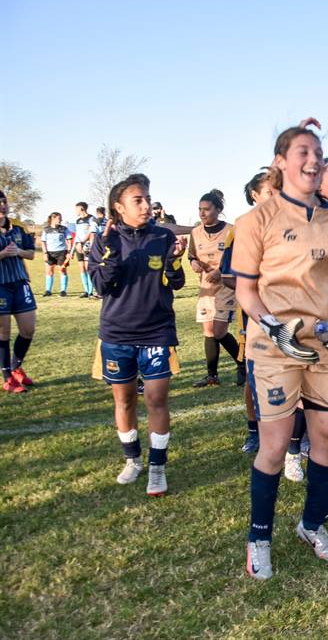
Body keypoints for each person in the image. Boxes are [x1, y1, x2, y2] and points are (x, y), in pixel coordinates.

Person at [232, 124, 328, 581]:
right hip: (273, 349)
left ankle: (312, 524)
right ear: (281, 162)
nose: (313, 159)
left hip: (324, 348)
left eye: (319, 152)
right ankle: (259, 536)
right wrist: (272, 325)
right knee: (273, 447)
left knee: (327, 440)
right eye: (303, 151)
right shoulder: (256, 221)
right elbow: (246, 290)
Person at [89, 174, 186, 496]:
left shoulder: (162, 236)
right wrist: (111, 254)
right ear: (119, 207)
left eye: (147, 198)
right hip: (116, 333)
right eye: (138, 200)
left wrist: (173, 262)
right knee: (125, 399)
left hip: (157, 331)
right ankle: (132, 460)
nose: (146, 206)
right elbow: (101, 285)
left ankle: (157, 468)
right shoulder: (104, 240)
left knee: (157, 399)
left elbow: (176, 282)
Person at [221, 169, 280, 454]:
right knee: (254, 377)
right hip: (256, 318)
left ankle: (296, 435)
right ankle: (254, 431)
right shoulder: (242, 227)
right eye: (270, 192)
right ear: (255, 195)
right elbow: (227, 275)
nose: (275, 197)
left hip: (292, 315)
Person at [188, 189, 243, 387]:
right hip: (205, 287)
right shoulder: (195, 232)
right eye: (199, 209)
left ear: (218, 210)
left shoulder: (232, 230)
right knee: (209, 331)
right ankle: (212, 376)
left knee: (220, 331)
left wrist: (220, 271)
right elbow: (192, 255)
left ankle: (242, 363)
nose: (202, 213)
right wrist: (194, 263)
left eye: (206, 209)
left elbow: (240, 258)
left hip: (226, 286)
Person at [0, 190, 38, 393]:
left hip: (20, 282)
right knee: (3, 332)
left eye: (4, 202)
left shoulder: (18, 227)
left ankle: (16, 366)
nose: (2, 205)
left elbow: (31, 253)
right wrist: (2, 254)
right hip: (0, 285)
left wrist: (19, 252)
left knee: (28, 329)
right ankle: (7, 377)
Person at [41, 212, 71, 297]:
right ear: (53, 219)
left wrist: (69, 252)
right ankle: (48, 291)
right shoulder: (46, 230)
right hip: (50, 253)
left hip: (62, 252)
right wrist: (45, 253)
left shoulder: (64, 229)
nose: (61, 220)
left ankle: (63, 291)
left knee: (62, 271)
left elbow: (69, 240)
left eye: (61, 218)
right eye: (59, 218)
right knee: (49, 271)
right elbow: (43, 242)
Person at [74, 201, 99, 298]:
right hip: (79, 246)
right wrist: (76, 244)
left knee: (88, 268)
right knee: (82, 268)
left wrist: (83, 242)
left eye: (76, 208)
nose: (75, 211)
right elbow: (77, 234)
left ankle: (90, 291)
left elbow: (91, 232)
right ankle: (86, 290)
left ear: (81, 208)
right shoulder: (77, 220)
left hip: (87, 246)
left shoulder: (91, 218)